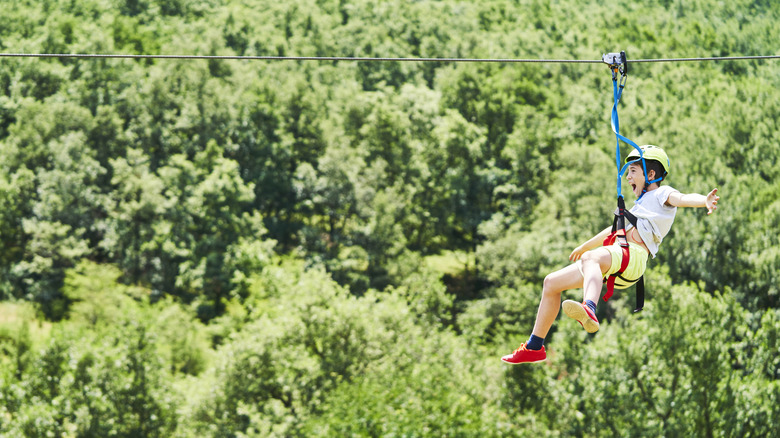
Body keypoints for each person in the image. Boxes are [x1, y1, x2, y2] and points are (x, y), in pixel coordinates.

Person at [501, 145, 720, 364]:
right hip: (619, 258)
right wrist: (585, 246)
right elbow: (615, 229)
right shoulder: (640, 206)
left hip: (632, 258)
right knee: (551, 283)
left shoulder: (661, 194)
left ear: (651, 174)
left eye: (633, 171)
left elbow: (681, 198)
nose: (628, 177)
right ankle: (534, 347)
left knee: (591, 259)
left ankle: (590, 307)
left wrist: (703, 201)